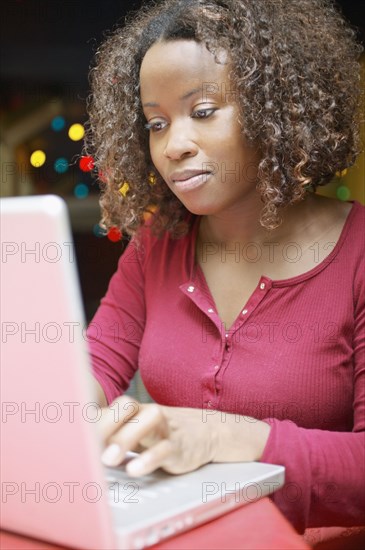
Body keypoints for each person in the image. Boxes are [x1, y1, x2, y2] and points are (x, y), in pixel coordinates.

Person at [84, 0, 365, 537]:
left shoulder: (357, 257)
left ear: (273, 108)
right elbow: (97, 363)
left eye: (204, 111)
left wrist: (219, 436)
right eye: (157, 123)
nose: (174, 146)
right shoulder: (156, 247)